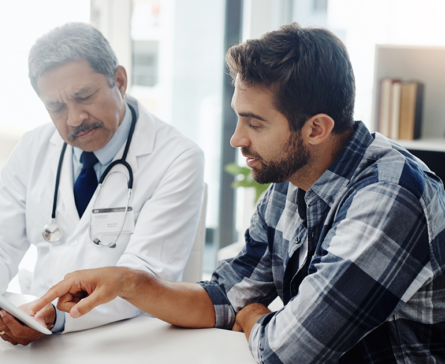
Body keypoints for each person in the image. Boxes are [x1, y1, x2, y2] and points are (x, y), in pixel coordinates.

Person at [30, 23, 445, 363]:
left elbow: (288, 351)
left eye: (255, 124)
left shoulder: (391, 196)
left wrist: (254, 318)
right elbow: (226, 296)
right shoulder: (293, 180)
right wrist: (126, 281)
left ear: (315, 129)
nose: (236, 139)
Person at [0, 22, 205, 346]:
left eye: (84, 96)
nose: (74, 118)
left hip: (126, 343)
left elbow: (142, 279)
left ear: (119, 81)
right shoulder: (33, 148)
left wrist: (58, 317)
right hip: (35, 334)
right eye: (57, 107)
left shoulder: (178, 157)